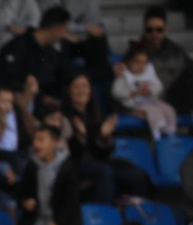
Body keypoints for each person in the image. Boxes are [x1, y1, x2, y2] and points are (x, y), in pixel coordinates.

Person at [63, 73, 150, 205]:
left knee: (135, 174)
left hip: (97, 162)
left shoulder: (97, 114)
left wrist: (104, 137)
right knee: (104, 171)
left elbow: (105, 153)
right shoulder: (63, 116)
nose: (81, 91)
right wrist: (81, 136)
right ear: (69, 91)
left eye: (84, 86)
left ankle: (137, 213)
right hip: (74, 164)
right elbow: (71, 153)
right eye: (76, 87)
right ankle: (106, 215)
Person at [16, 123, 79, 225]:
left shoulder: (67, 168)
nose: (36, 144)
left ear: (54, 143)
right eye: (35, 140)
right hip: (40, 219)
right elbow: (22, 191)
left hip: (58, 222)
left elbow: (71, 202)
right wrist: (25, 201)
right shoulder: (32, 165)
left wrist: (59, 222)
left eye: (41, 140)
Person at [0, 7, 71, 100]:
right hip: (12, 104)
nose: (64, 35)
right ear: (57, 28)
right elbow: (5, 79)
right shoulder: (17, 46)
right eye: (65, 30)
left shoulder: (51, 53)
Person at [112, 42, 177, 143]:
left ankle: (171, 131)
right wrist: (131, 93)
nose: (140, 66)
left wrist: (150, 91)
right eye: (136, 62)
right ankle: (157, 134)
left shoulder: (148, 74)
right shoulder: (124, 76)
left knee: (168, 108)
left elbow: (159, 86)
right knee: (152, 111)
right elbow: (115, 91)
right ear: (129, 62)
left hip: (151, 101)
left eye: (143, 63)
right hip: (136, 104)